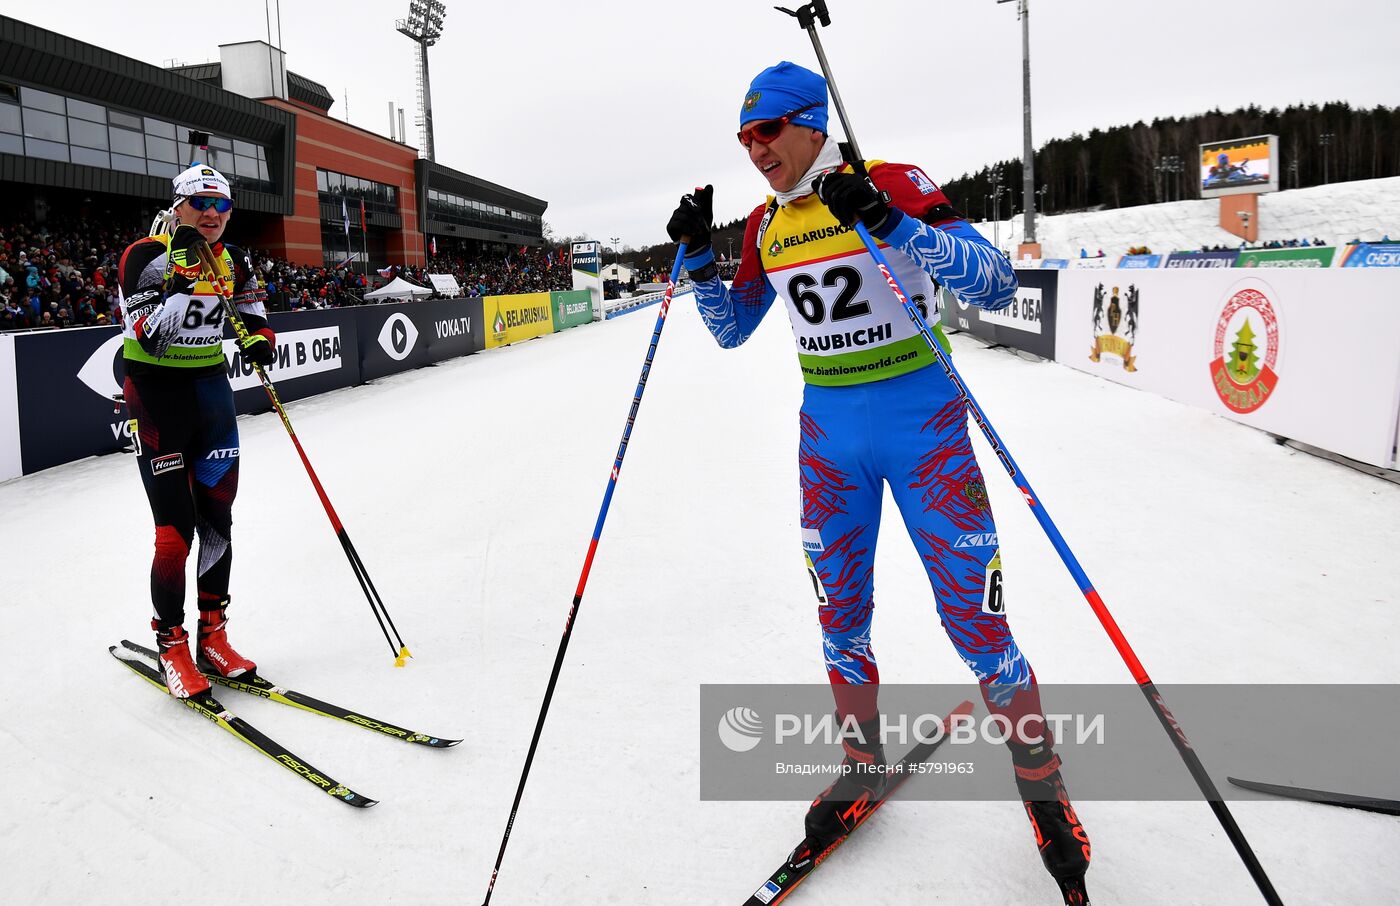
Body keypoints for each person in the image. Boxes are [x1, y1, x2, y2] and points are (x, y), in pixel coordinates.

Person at [665, 61, 1090, 903]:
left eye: (769, 131)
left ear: (812, 122)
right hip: (828, 436)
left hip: (924, 424)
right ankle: (861, 764)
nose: (756, 150)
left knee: (977, 622)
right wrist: (697, 259)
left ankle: (1044, 789)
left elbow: (997, 282)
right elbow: (728, 330)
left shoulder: (890, 182)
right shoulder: (762, 224)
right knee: (839, 613)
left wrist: (895, 224)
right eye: (744, 137)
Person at [117, 163, 277, 699]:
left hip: (211, 395)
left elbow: (254, 316)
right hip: (158, 397)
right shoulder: (144, 256)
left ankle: (214, 633)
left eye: (222, 205)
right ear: (179, 205)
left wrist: (260, 339)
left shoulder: (235, 261)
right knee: (174, 530)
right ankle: (171, 643)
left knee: (218, 517)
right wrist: (182, 279)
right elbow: (148, 333)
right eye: (201, 203)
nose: (212, 213)